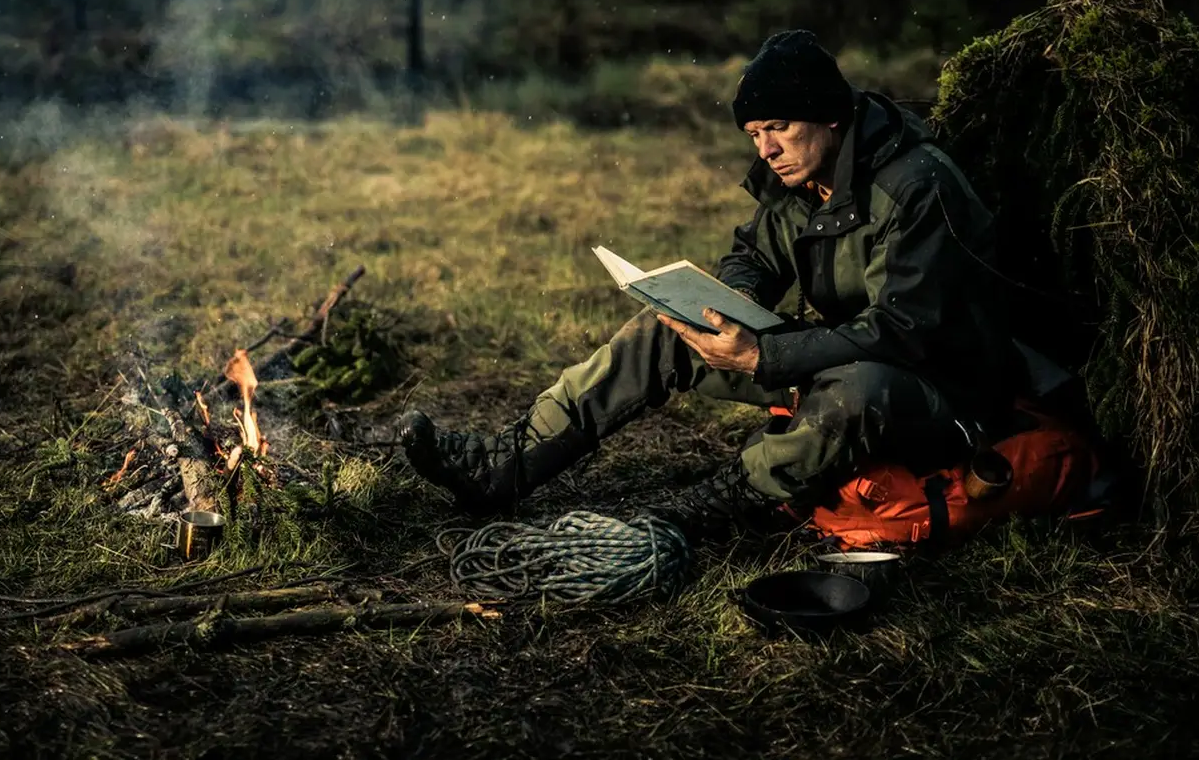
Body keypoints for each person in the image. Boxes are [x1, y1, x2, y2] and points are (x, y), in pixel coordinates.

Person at [398, 29, 1029, 541]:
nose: (767, 149)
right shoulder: (802, 176)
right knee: (663, 331)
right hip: (840, 356)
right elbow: (754, 252)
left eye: (778, 127)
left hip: (943, 392)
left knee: (857, 390)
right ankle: (501, 467)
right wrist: (732, 305)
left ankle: (728, 503)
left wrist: (765, 355)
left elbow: (906, 329)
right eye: (754, 135)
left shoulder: (918, 185)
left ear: (828, 116)